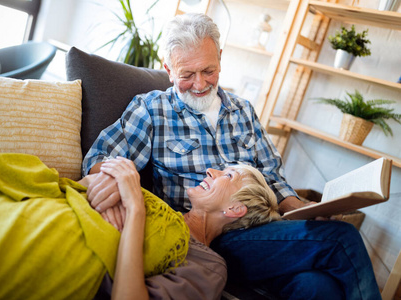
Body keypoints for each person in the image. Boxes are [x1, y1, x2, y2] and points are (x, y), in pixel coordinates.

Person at [82, 13, 381, 300]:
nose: (199, 85)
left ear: (221, 58)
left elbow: (273, 176)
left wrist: (301, 208)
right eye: (187, 74)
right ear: (169, 69)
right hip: (213, 236)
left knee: (317, 287)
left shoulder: (244, 110)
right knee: (341, 238)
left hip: (264, 228)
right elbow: (101, 156)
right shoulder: (152, 109)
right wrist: (113, 179)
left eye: (208, 71)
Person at [87, 157, 281, 299]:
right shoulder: (160, 207)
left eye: (229, 175)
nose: (211, 171)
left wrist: (135, 210)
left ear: (234, 208)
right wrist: (113, 174)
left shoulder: (209, 267)